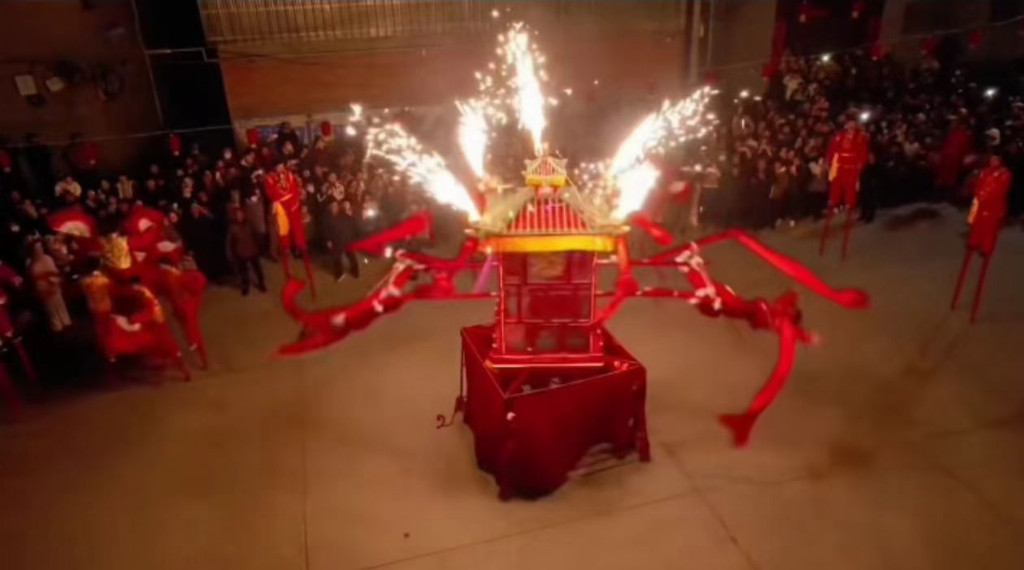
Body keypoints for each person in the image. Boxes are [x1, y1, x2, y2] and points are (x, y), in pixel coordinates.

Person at [28, 240, 71, 332]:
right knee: (52, 312)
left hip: (54, 287)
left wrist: (54, 281)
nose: (39, 250)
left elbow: (54, 272)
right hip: (44, 291)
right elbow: (35, 278)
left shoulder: (47, 258)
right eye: (36, 248)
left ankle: (67, 325)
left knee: (60, 307)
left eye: (40, 247)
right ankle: (57, 329)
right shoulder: (31, 264)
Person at [226, 208, 266, 295]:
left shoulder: (249, 224)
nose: (239, 216)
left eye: (241, 214)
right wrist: (230, 254)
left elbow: (256, 236)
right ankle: (246, 286)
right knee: (243, 272)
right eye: (237, 215)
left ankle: (261, 283)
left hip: (252, 251)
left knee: (258, 269)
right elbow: (229, 243)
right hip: (241, 253)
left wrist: (259, 247)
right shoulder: (233, 228)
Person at [323, 200, 360, 281]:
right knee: (338, 257)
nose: (334, 207)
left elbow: (353, 225)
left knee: (350, 256)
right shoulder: (328, 217)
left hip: (345, 239)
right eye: (332, 206)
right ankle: (340, 273)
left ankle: (354, 272)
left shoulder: (343, 215)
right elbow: (326, 229)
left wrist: (353, 237)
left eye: (335, 206)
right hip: (338, 240)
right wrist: (328, 240)